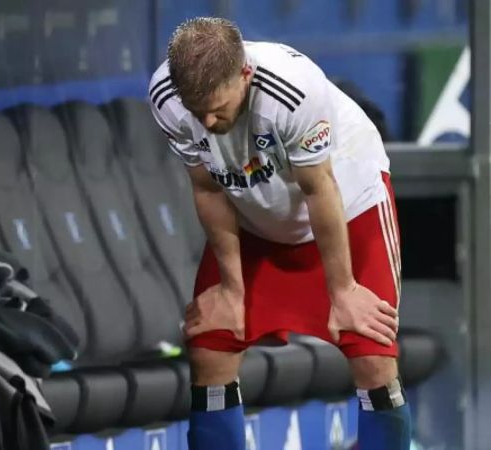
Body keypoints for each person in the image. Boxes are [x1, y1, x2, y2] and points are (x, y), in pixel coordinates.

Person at [148, 17, 408, 450]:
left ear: (245, 74)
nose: (208, 122)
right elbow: (207, 187)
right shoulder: (167, 97)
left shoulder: (293, 90)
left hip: (347, 201)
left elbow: (318, 189)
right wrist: (231, 290)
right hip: (252, 205)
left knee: (372, 352)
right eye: (198, 111)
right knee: (212, 343)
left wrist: (343, 290)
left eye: (218, 107)